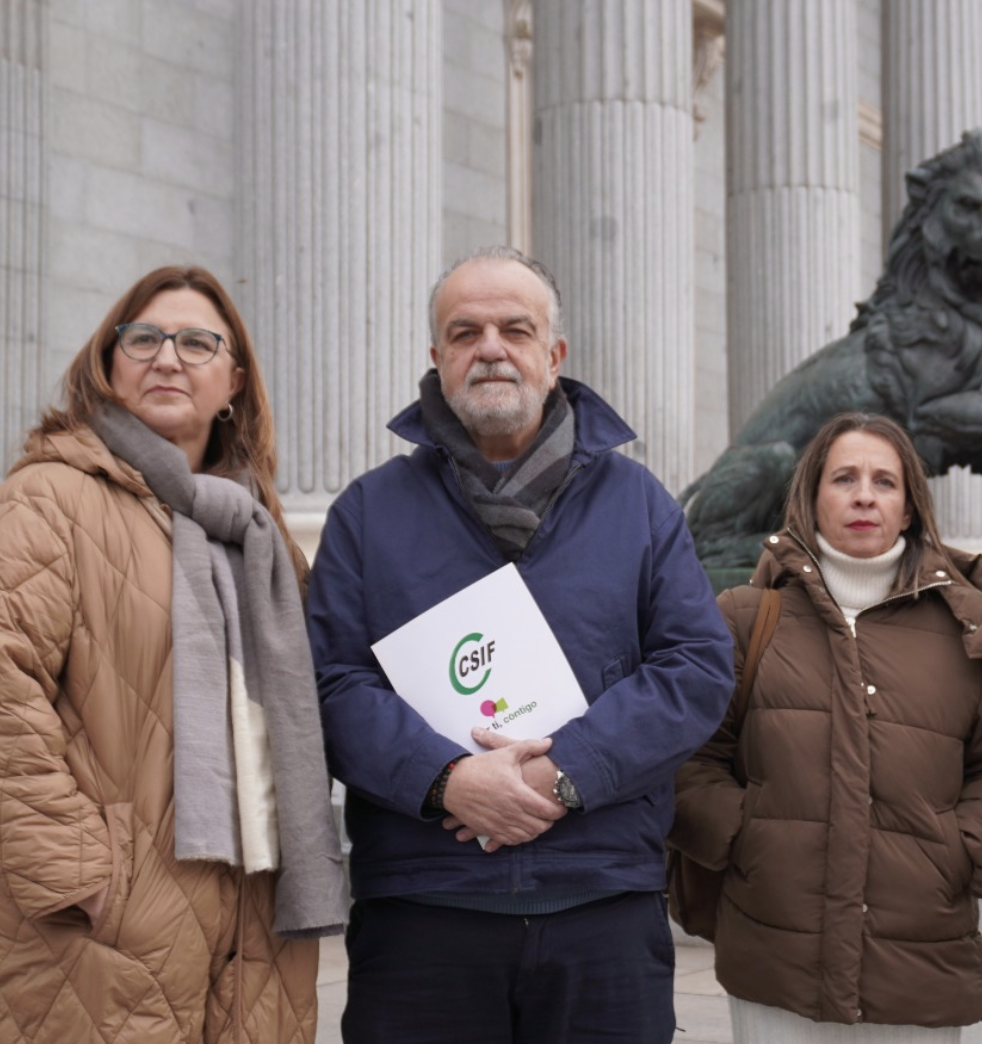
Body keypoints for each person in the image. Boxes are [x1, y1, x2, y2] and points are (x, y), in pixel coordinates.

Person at [308, 245, 735, 1044]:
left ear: (554, 353)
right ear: (437, 358)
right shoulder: (369, 513)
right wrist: (447, 781)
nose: (491, 349)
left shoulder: (639, 505)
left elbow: (695, 667)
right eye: (465, 333)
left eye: (515, 329)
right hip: (423, 912)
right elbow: (331, 683)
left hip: (602, 905)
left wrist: (563, 773)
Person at [0, 266, 349, 1044]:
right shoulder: (47, 503)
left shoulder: (261, 541)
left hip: (251, 934)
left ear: (234, 382)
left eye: (197, 343)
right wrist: (83, 877)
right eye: (143, 338)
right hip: (86, 942)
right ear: (109, 364)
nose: (167, 358)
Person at [670, 413, 982, 1042]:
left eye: (884, 482)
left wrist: (969, 853)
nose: (864, 496)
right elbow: (690, 755)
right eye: (844, 478)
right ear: (812, 498)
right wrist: (743, 837)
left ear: (909, 508)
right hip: (776, 952)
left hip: (919, 957)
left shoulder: (966, 625)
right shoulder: (744, 617)